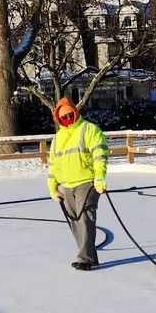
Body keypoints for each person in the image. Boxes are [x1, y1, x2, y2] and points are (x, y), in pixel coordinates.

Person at [46, 98, 109, 271]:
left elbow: (100, 155)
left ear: (75, 112)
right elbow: (53, 165)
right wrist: (53, 188)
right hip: (67, 186)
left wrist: (100, 177)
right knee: (75, 222)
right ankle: (90, 257)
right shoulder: (58, 138)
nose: (67, 118)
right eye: (63, 117)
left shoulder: (89, 129)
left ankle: (85, 259)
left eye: (69, 115)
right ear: (59, 119)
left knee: (85, 220)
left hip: (86, 184)